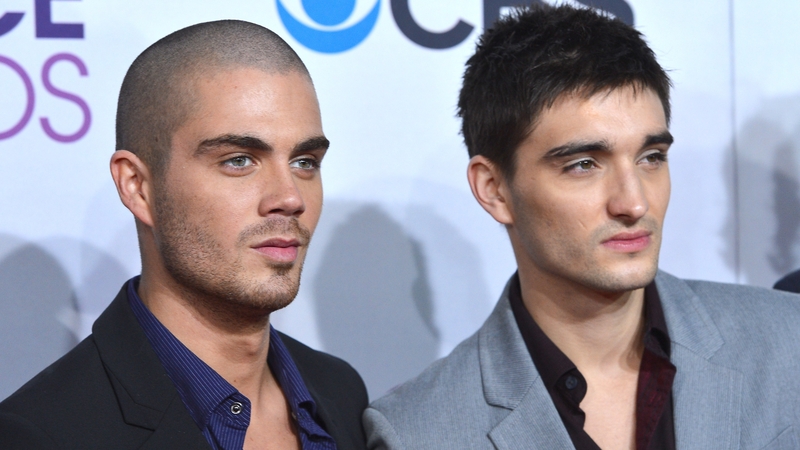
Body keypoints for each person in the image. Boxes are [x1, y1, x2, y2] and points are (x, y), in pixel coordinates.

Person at [364, 4, 800, 449]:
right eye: (584, 165)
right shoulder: (418, 433)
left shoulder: (789, 341)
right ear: (494, 189)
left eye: (651, 158)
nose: (633, 202)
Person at [0, 20, 368, 450]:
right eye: (238, 160)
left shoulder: (342, 394)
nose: (289, 198)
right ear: (138, 186)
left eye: (305, 161)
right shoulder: (41, 434)